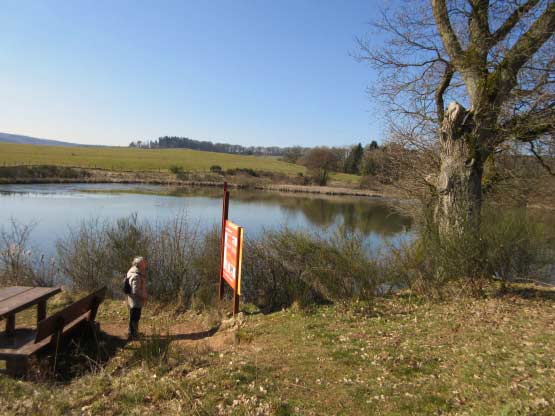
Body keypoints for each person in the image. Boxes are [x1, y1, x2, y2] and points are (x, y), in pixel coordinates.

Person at [126, 256, 148, 339]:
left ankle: (133, 332)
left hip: (133, 300)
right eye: (144, 263)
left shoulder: (133, 271)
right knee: (135, 317)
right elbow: (135, 291)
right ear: (140, 265)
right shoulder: (136, 276)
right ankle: (133, 335)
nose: (145, 264)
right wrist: (144, 297)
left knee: (134, 317)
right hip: (136, 301)